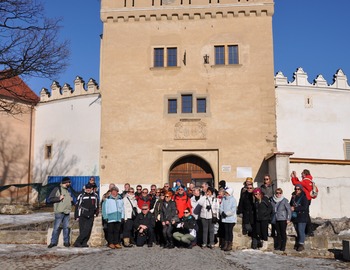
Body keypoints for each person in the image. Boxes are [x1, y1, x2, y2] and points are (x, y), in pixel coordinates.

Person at [48, 177, 73, 248]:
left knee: (66, 228)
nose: (70, 184)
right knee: (56, 227)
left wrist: (71, 200)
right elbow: (50, 199)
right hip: (59, 212)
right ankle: (53, 242)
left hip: (67, 212)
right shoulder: (57, 189)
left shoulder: (67, 190)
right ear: (65, 182)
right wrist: (58, 198)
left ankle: (66, 242)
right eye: (69, 182)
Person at [73, 183, 99, 248]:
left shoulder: (95, 195)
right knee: (82, 230)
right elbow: (77, 206)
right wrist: (76, 216)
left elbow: (96, 205)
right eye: (87, 188)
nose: (88, 190)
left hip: (91, 215)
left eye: (89, 188)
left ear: (91, 189)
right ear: (85, 189)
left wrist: (96, 212)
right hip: (82, 215)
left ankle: (82, 242)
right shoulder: (81, 195)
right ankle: (80, 243)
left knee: (88, 229)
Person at [291, 169, 315, 236]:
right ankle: (308, 231)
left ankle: (309, 231)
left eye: (302, 174)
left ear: (304, 174)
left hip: (305, 199)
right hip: (308, 199)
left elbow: (297, 184)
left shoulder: (306, 181)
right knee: (306, 214)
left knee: (306, 215)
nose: (301, 175)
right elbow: (300, 184)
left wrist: (293, 177)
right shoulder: (310, 181)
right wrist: (295, 177)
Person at [290, 184, 309, 251]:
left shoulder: (304, 197)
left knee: (301, 230)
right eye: (296, 189)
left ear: (301, 190)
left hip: (302, 216)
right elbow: (291, 204)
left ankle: (301, 244)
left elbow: (304, 207)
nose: (297, 190)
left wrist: (295, 208)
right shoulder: (293, 197)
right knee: (297, 230)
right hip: (295, 216)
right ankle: (298, 243)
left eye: (298, 189)